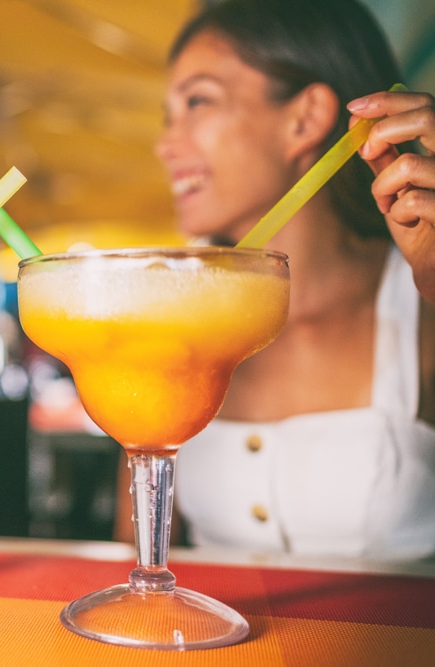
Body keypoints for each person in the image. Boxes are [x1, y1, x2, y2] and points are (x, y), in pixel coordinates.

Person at [113, 0, 435, 559]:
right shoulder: (166, 320)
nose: (165, 144)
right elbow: (139, 561)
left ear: (305, 119)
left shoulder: (423, 297)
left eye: (197, 101)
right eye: (169, 114)